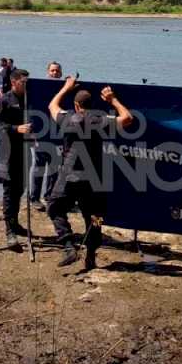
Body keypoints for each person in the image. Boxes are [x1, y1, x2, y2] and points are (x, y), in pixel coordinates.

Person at [47, 76, 134, 270]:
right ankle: (91, 255)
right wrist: (113, 100)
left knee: (54, 207)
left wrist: (65, 88)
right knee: (94, 218)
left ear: (77, 105)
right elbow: (128, 118)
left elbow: (51, 106)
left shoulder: (68, 117)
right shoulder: (100, 119)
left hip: (69, 175)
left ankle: (68, 245)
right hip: (94, 178)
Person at [0, 69, 32, 249]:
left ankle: (15, 222)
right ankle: (10, 232)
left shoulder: (29, 99)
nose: (26, 85)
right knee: (9, 191)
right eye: (23, 82)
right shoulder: (3, 101)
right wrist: (16, 129)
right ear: (14, 81)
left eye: (27, 82)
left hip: (24, 150)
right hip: (7, 150)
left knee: (20, 188)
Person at [29, 61, 63, 211]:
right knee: (39, 168)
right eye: (52, 71)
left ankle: (49, 196)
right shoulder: (38, 88)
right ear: (47, 72)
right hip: (40, 134)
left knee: (55, 169)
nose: (55, 73)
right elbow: (30, 110)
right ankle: (34, 198)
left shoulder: (64, 89)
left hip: (58, 136)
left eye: (57, 71)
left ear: (61, 73)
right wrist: (31, 135)